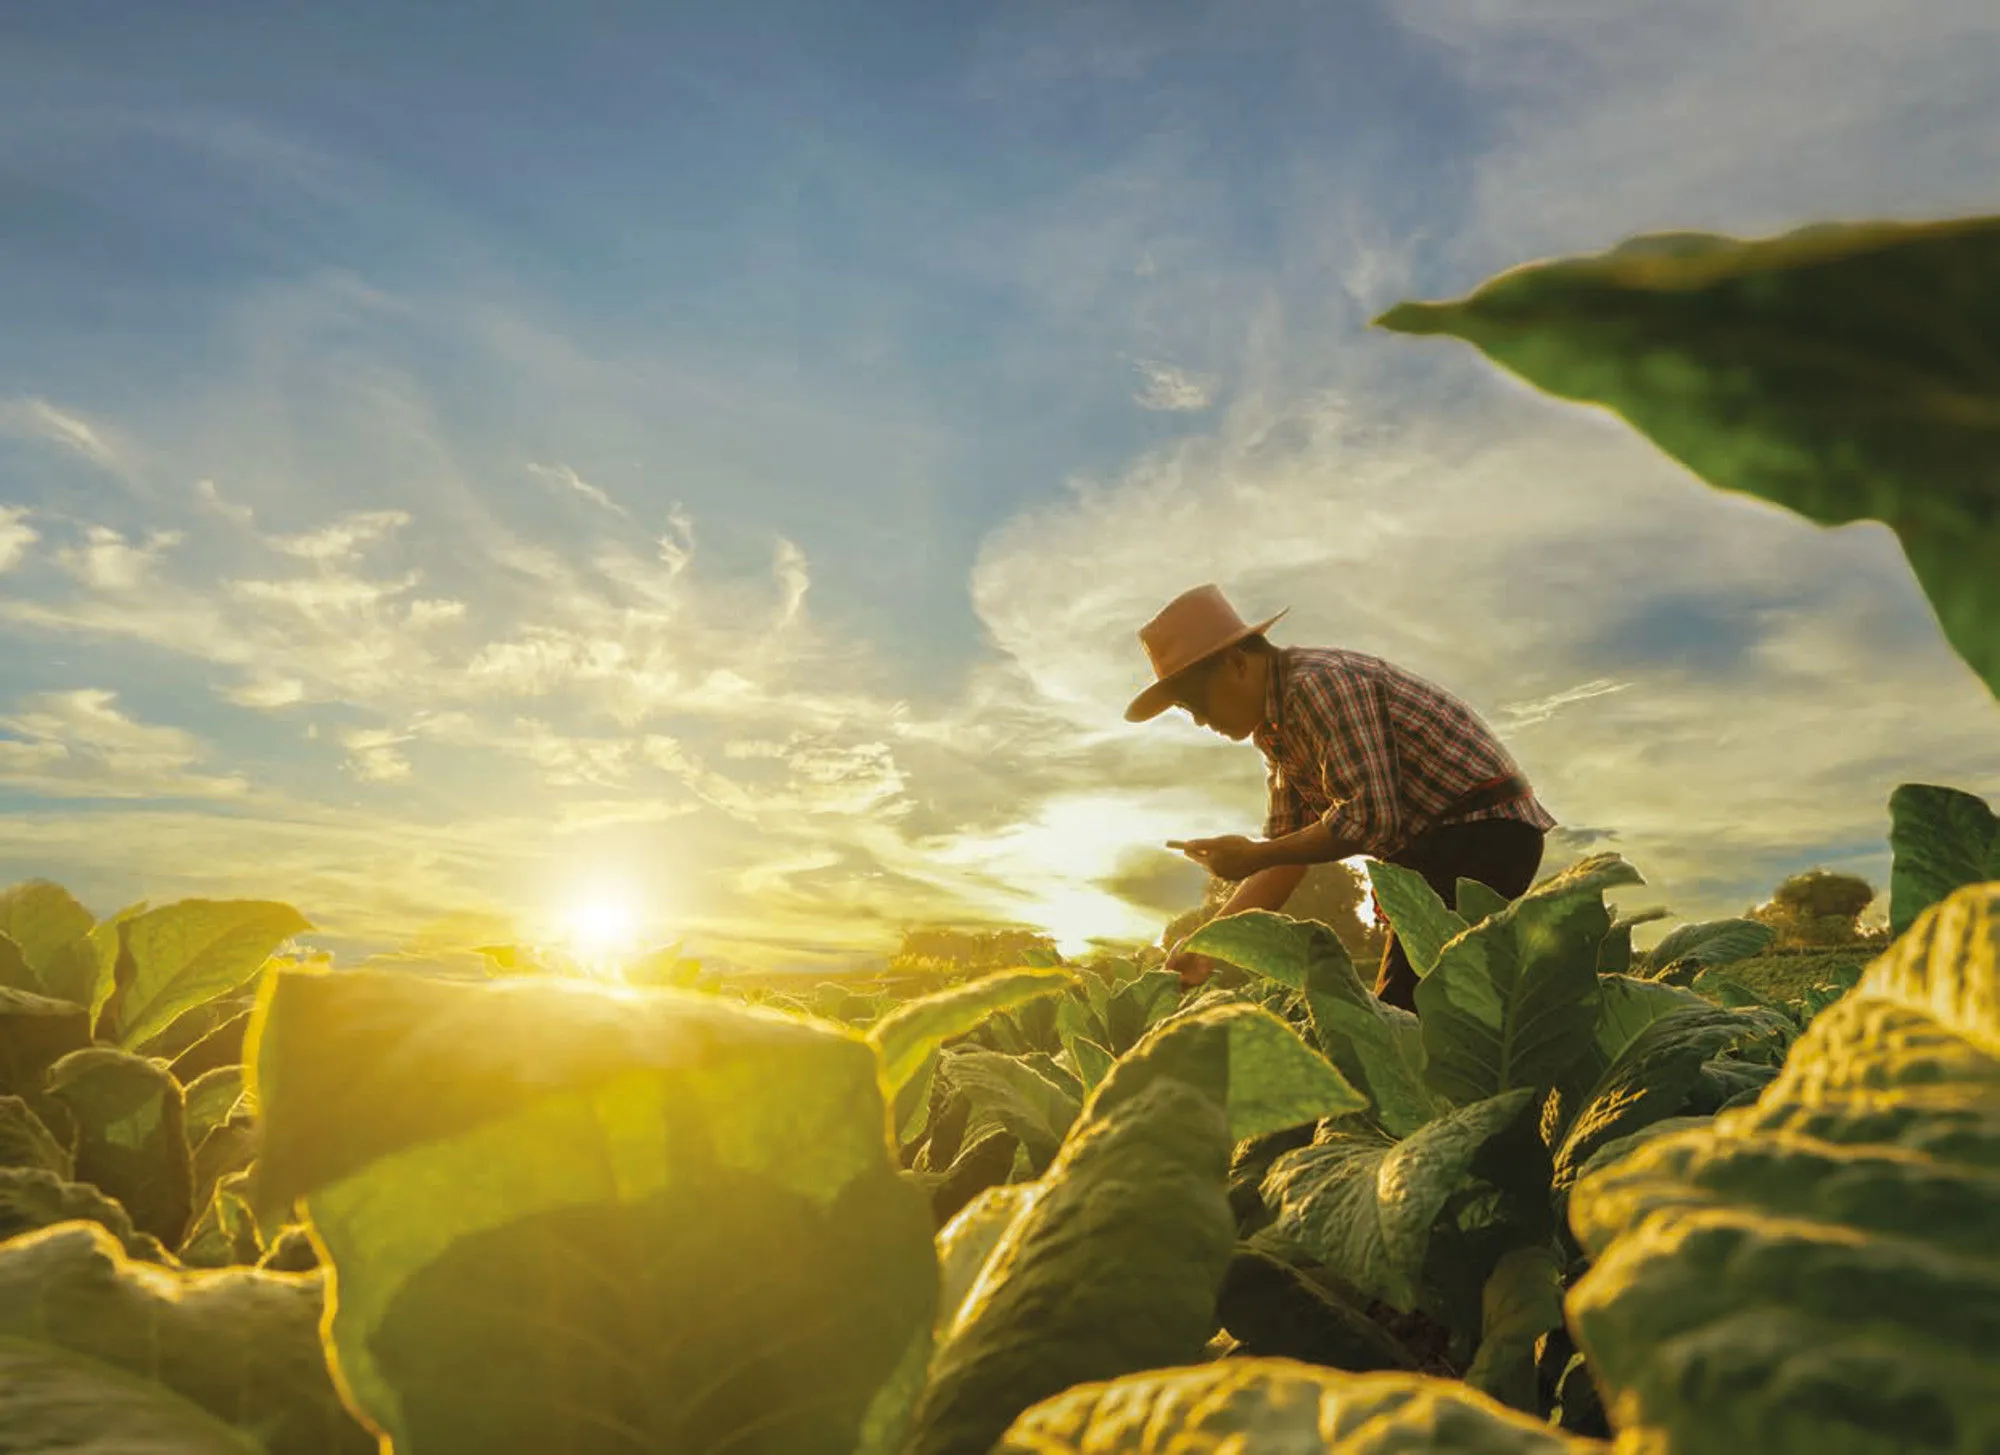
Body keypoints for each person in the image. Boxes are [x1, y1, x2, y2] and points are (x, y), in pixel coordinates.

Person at [1126, 584, 1557, 1008]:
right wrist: (1206, 944)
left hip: (1483, 832)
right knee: (1435, 1008)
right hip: (1437, 849)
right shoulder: (1277, 731)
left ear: (1237, 664)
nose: (1200, 721)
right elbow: (1284, 858)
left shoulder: (1319, 685)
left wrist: (1254, 855)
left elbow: (1369, 820)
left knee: (1407, 1015)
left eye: (1196, 703)